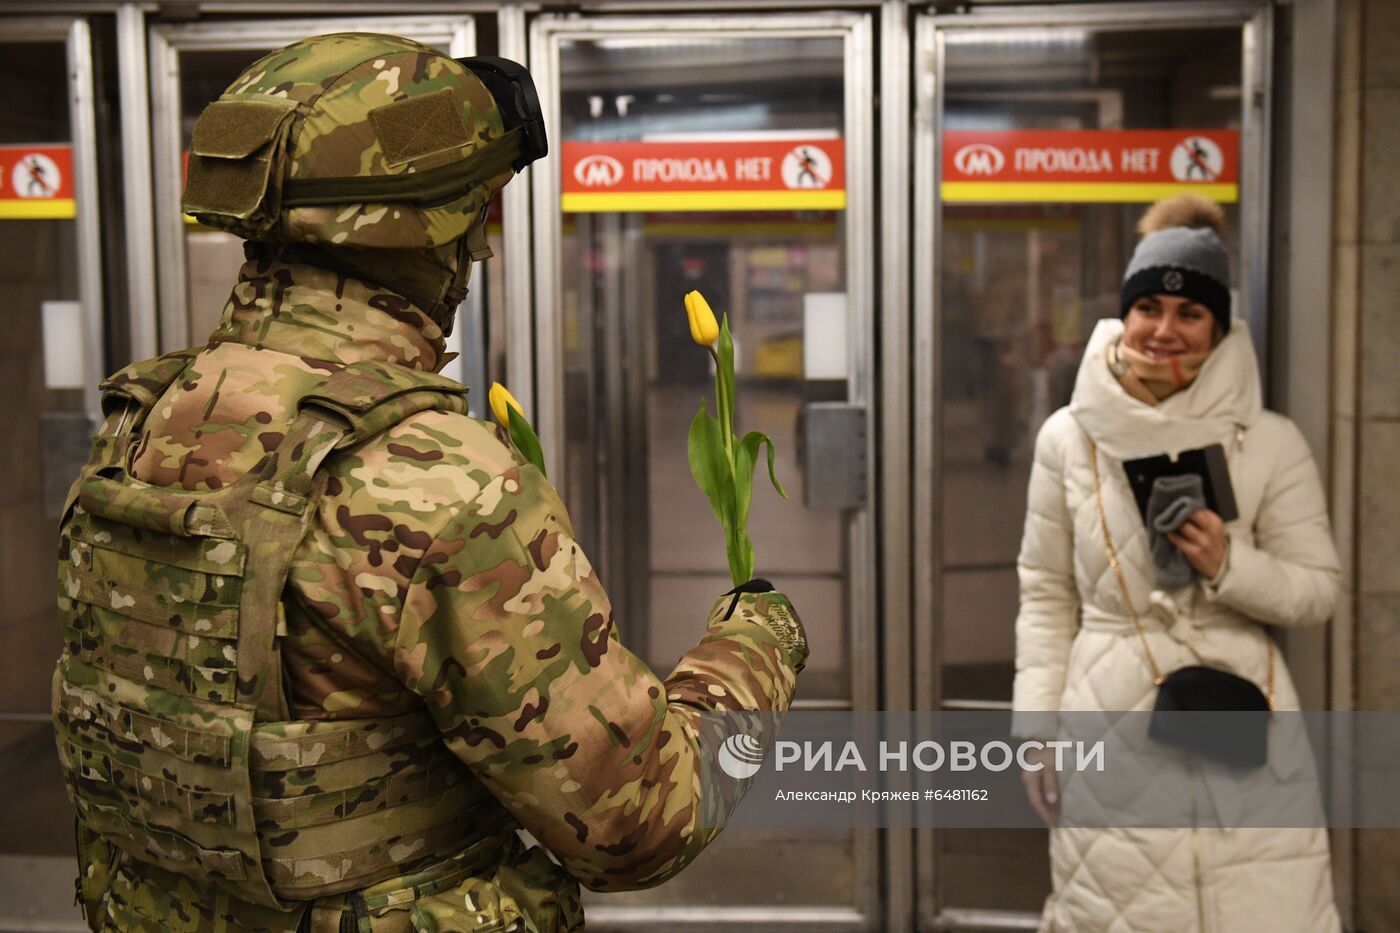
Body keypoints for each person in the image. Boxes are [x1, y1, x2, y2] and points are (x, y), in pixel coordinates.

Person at [53, 34, 806, 932]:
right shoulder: (436, 479)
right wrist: (754, 649)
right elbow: (636, 820)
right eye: (478, 207)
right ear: (438, 230)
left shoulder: (138, 424)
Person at [1012, 194, 1342, 931]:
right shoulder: (1069, 438)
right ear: (1125, 313)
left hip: (1241, 718)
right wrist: (1035, 732)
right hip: (1108, 712)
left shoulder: (1270, 440)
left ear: (1217, 328)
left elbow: (1319, 592)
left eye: (1189, 314)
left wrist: (1230, 563)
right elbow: (1046, 594)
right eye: (1149, 307)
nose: (1164, 330)